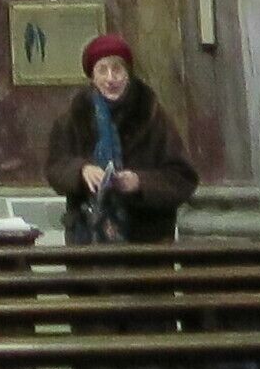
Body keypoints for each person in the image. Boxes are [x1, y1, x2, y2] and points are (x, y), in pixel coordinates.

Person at [43, 32, 196, 244]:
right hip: (87, 237)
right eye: (102, 70)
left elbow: (183, 178)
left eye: (117, 69)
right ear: (92, 77)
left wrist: (140, 182)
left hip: (146, 240)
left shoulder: (152, 116)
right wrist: (81, 171)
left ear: (128, 74)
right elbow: (56, 167)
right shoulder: (73, 117)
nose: (110, 78)